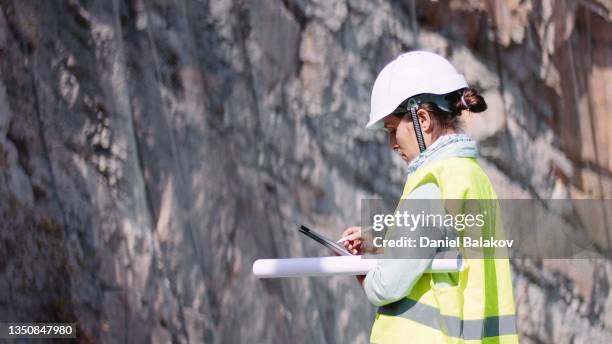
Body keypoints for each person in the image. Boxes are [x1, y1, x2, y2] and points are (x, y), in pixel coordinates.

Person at [341, 51, 518, 343]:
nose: (391, 143)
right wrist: (380, 239)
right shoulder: (472, 178)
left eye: (392, 129)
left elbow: (386, 285)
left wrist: (359, 269)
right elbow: (443, 240)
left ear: (422, 119)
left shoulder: (432, 183)